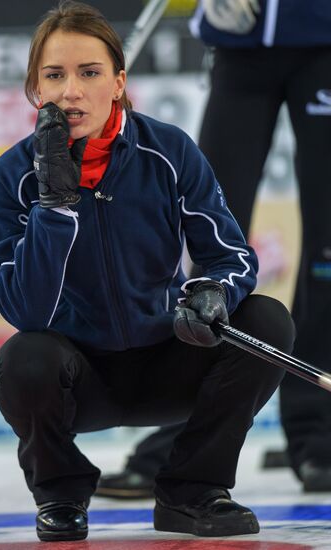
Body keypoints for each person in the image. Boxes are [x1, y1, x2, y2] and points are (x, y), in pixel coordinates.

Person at [0, 0, 295, 542]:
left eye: (90, 73)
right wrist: (55, 207)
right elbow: (24, 310)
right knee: (23, 359)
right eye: (54, 75)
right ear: (36, 89)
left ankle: (192, 491)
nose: (71, 92)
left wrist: (214, 293)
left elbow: (231, 255)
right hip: (81, 379)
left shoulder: (169, 150)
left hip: (168, 356)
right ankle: (59, 494)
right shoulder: (11, 176)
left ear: (119, 82)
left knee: (266, 321)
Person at [96, 0, 331, 499]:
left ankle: (319, 437)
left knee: (327, 255)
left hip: (324, 39)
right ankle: (177, 439)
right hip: (238, 42)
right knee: (210, 248)